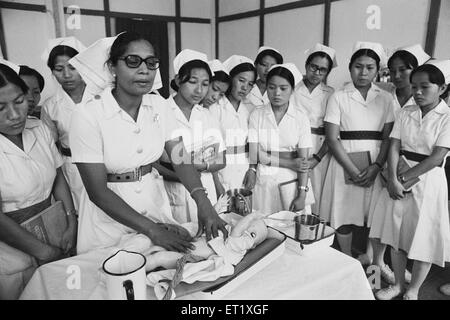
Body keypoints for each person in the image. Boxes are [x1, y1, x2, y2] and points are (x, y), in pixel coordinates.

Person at [69, 33, 227, 254]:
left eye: (151, 63)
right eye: (133, 61)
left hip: (152, 202)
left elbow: (180, 158)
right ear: (112, 67)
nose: (144, 70)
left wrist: (203, 202)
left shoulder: (159, 106)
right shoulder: (88, 114)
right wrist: (152, 230)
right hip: (108, 219)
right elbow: (97, 191)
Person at [373, 60, 450, 300]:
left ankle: (414, 290)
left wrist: (403, 178)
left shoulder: (446, 117)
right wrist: (394, 179)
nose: (417, 92)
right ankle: (397, 284)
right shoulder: (406, 112)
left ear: (442, 88)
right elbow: (394, 145)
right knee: (397, 234)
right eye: (414, 86)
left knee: (424, 236)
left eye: (424, 87)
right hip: (399, 174)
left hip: (429, 180)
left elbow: (437, 156)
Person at [0, 63, 77, 299]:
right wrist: (42, 251)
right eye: (0, 107)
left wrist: (70, 221)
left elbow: (58, 178)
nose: (14, 115)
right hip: (11, 255)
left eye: (20, 101)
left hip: (54, 232)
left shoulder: (38, 129)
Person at [320, 42, 395, 262]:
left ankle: (372, 264)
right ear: (350, 67)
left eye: (369, 68)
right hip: (344, 161)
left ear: (377, 70)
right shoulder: (339, 97)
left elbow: (388, 137)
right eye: (358, 66)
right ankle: (346, 259)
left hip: (375, 162)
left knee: (374, 217)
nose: (363, 73)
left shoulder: (385, 98)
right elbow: (332, 139)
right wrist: (353, 171)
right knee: (343, 214)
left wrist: (377, 166)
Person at [367, 44, 430, 284]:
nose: (397, 76)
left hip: (414, 172)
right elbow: (388, 139)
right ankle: (376, 269)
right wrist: (384, 169)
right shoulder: (384, 95)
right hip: (386, 164)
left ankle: (399, 275)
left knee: (403, 228)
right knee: (378, 223)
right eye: (392, 71)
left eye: (404, 70)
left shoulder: (424, 100)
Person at [157, 49, 226, 224]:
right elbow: (152, 162)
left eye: (205, 84)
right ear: (178, 80)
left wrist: (199, 166)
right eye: (193, 82)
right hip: (172, 189)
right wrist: (182, 173)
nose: (199, 90)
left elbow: (221, 159)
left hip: (205, 187)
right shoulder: (160, 112)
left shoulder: (206, 116)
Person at [248, 63, 314, 215]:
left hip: (291, 181)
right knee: (264, 226)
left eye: (283, 88)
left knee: (292, 229)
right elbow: (255, 154)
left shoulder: (300, 117)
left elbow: (303, 162)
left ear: (292, 89)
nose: (277, 93)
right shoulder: (257, 115)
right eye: (271, 87)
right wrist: (290, 163)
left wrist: (302, 194)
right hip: (264, 180)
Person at [41, 37, 90, 212]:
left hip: (106, 163)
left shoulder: (102, 95)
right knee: (82, 213)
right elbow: (51, 146)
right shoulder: (50, 106)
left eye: (73, 67)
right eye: (59, 69)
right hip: (72, 167)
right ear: (52, 72)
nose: (67, 75)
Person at [292, 43, 337, 215]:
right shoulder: (293, 89)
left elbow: (332, 133)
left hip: (320, 151)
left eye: (323, 70)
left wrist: (317, 158)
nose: (317, 73)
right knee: (292, 193)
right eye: (313, 67)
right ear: (306, 65)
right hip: (293, 148)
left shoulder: (331, 94)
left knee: (318, 198)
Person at [209, 55, 257, 193]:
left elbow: (254, 143)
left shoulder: (251, 109)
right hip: (221, 171)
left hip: (245, 169)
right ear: (231, 79)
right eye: (241, 80)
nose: (244, 87)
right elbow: (210, 151)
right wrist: (216, 183)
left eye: (250, 84)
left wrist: (252, 169)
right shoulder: (214, 107)